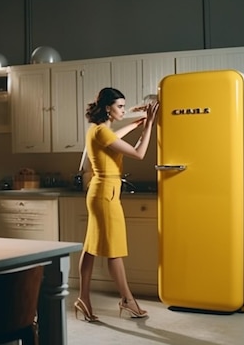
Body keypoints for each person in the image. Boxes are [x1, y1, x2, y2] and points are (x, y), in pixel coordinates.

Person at [74, 87, 159, 322]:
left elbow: (115, 137)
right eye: (120, 106)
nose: (123, 109)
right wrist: (149, 124)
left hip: (101, 192)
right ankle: (127, 300)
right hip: (105, 195)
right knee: (114, 251)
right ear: (107, 108)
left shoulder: (98, 130)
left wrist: (138, 123)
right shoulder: (102, 132)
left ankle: (83, 299)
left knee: (91, 249)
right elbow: (139, 153)